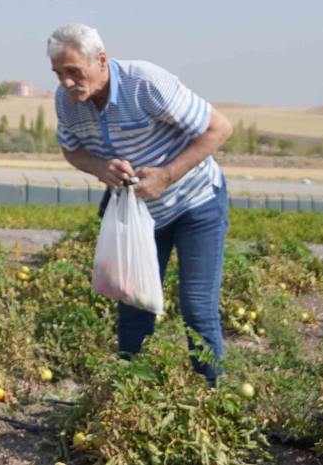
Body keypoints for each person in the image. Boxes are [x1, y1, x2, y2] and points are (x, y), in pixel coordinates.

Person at [48, 23, 234, 383]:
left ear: (100, 60)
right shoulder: (67, 103)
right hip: (140, 213)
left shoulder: (145, 83)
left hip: (195, 204)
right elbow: (71, 150)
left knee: (197, 308)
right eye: (59, 73)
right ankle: (129, 395)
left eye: (73, 71)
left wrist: (166, 175)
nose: (67, 82)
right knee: (133, 303)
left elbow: (220, 128)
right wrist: (101, 167)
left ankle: (214, 399)